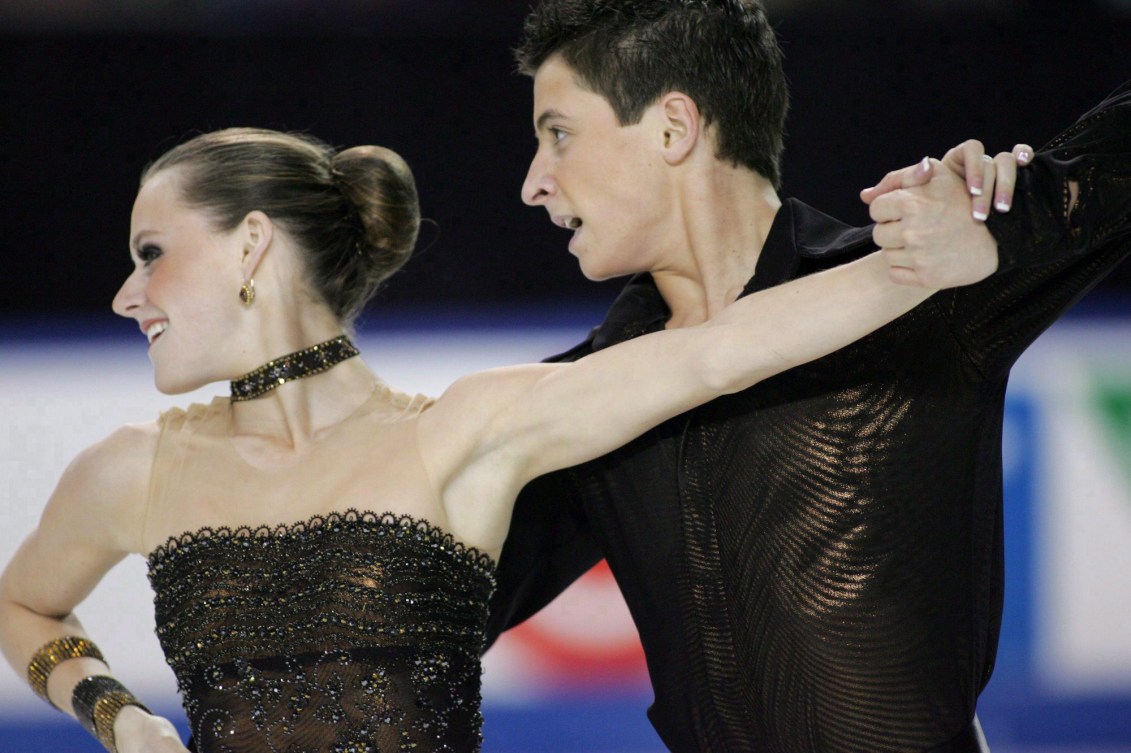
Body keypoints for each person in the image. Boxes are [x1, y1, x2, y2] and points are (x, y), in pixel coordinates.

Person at [0, 124, 994, 753]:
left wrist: (919, 269)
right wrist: (115, 716)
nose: (130, 294)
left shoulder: (463, 434)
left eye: (152, 254)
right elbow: (22, 603)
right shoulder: (133, 469)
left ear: (252, 245)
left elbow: (715, 354)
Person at [484, 1, 1131, 751]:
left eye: (558, 134)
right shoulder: (585, 402)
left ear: (672, 128)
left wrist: (1009, 219)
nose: (534, 183)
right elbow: (423, 621)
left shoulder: (914, 287)